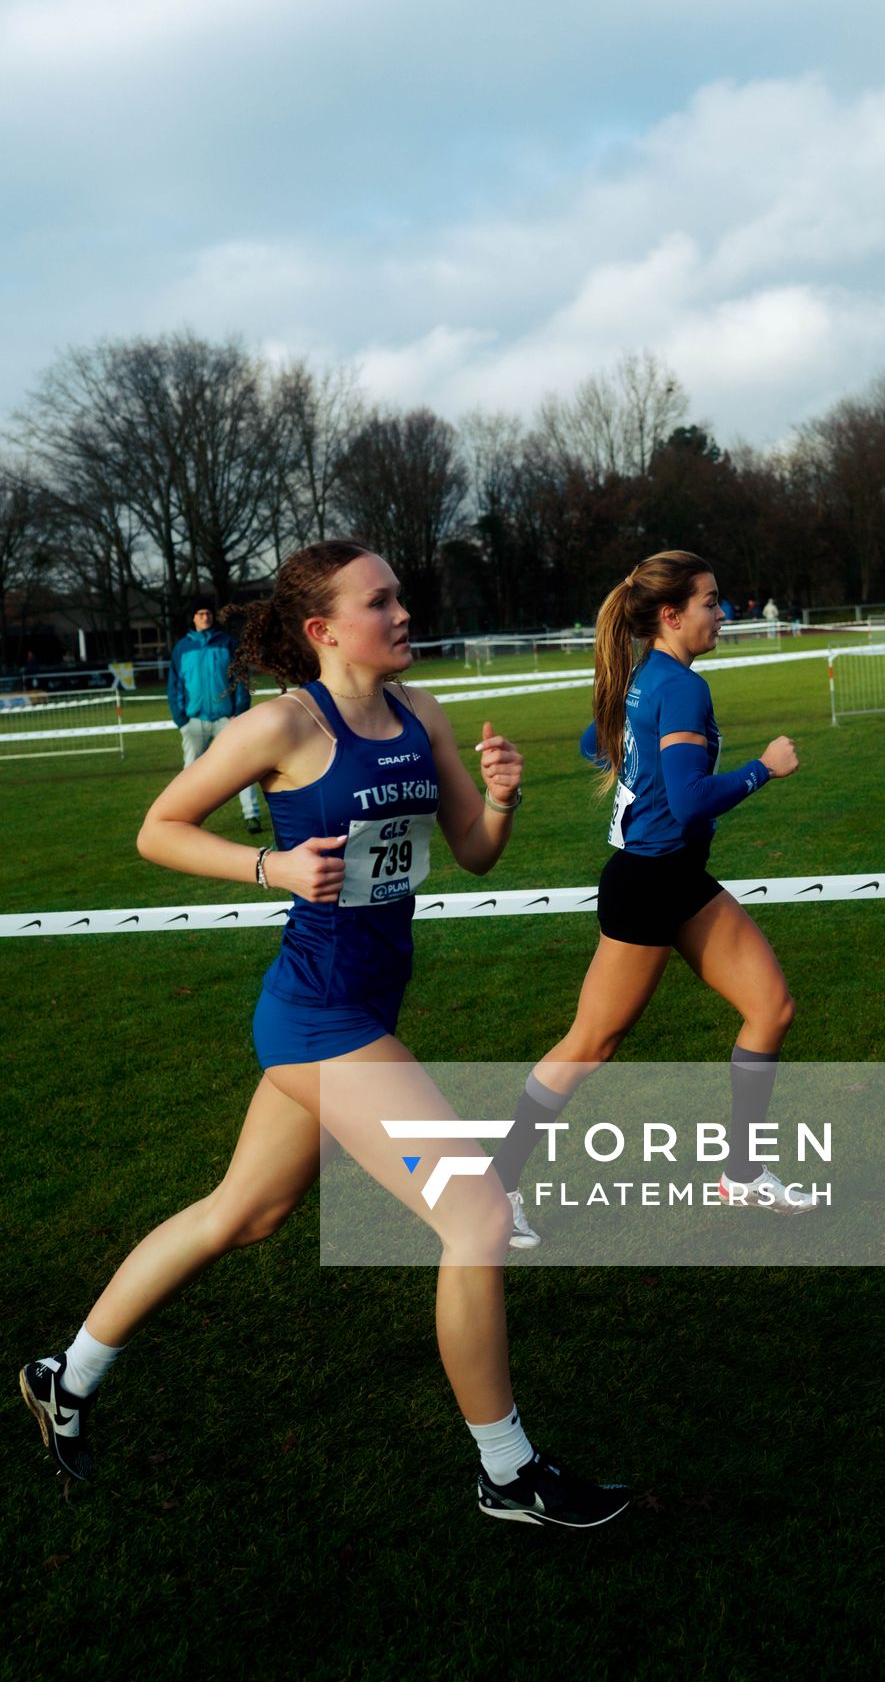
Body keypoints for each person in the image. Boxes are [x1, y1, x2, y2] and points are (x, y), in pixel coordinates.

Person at [20, 540, 628, 1530]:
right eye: (378, 602)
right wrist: (274, 867)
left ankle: (66, 1375)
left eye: (400, 597)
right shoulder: (282, 726)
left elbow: (475, 853)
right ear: (323, 630)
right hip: (316, 1015)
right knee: (475, 1216)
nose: (402, 613)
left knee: (241, 1213)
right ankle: (507, 1472)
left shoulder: (422, 713)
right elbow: (158, 828)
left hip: (366, 1005)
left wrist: (503, 797)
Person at [492, 550, 814, 1251]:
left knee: (771, 1008)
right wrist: (765, 768)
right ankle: (496, 1186)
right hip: (647, 886)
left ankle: (743, 1172)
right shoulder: (681, 688)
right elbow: (692, 800)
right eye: (710, 601)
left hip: (678, 878)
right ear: (671, 614)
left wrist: (636, 763)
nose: (721, 614)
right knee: (589, 1044)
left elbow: (594, 744)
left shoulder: (645, 677)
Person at [168, 604, 263, 834]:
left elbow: (240, 678)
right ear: (193, 618)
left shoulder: (227, 643)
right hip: (194, 720)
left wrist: (239, 713)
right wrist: (181, 719)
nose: (205, 617)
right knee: (190, 772)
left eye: (208, 613)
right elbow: (175, 685)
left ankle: (252, 815)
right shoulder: (182, 647)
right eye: (200, 613)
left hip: (226, 720)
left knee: (243, 767)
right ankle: (186, 818)